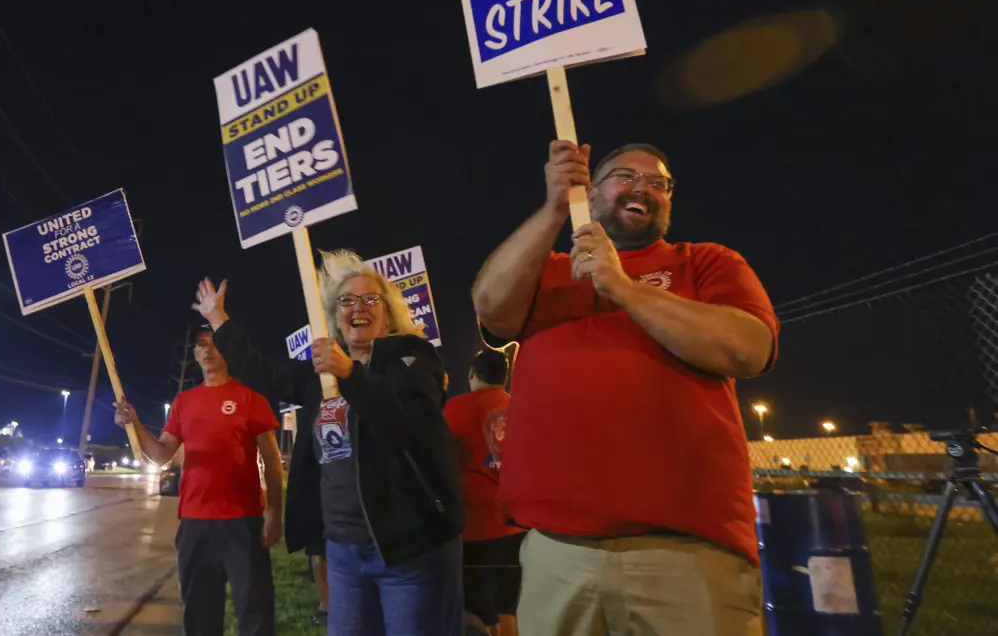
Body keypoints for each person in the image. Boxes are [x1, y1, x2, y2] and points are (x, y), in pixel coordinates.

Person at [473, 141, 779, 636]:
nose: (643, 188)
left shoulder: (705, 263)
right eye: (625, 176)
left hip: (685, 551)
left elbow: (748, 348)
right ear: (590, 195)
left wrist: (624, 287)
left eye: (658, 183)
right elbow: (491, 307)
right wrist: (553, 207)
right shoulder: (547, 272)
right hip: (557, 550)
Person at [190, 252, 464, 636]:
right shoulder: (320, 373)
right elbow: (263, 374)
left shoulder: (412, 359)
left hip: (407, 549)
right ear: (334, 315)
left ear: (389, 312)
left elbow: (407, 421)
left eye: (371, 299)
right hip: (344, 553)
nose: (358, 307)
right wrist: (218, 320)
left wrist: (350, 373)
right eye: (347, 301)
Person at [114, 321, 284, 636]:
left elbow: (272, 460)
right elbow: (163, 454)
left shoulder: (250, 397)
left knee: (255, 610)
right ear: (193, 353)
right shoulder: (184, 402)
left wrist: (274, 512)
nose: (207, 350)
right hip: (194, 524)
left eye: (214, 343)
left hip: (242, 522)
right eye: (200, 344)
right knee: (200, 615)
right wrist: (134, 423)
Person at [443, 348, 523, 636]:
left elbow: (441, 458)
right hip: (515, 528)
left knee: (475, 610)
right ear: (505, 378)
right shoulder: (520, 408)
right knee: (508, 607)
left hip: (475, 528)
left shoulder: (456, 408)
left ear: (472, 374)